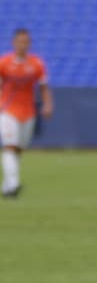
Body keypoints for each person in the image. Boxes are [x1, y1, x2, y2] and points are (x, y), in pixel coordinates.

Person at [0, 27, 54, 199]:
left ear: (29, 44)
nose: (23, 45)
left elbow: (44, 87)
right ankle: (14, 184)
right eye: (20, 41)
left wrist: (47, 104)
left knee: (18, 149)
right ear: (14, 43)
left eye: (26, 42)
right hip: (7, 111)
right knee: (10, 146)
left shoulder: (36, 64)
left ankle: (8, 185)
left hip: (28, 112)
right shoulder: (5, 63)